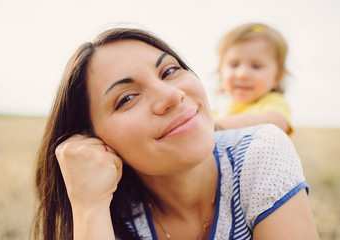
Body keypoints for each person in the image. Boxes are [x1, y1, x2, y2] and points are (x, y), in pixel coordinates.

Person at [32, 27, 318, 240]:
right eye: (127, 98)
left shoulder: (260, 151)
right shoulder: (108, 210)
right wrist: (89, 208)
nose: (172, 95)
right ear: (92, 142)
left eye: (169, 71)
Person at [214, 23, 293, 135]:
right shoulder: (219, 113)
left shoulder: (272, 102)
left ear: (277, 77)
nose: (242, 74)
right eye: (234, 65)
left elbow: (273, 124)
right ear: (220, 72)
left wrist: (215, 126)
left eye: (256, 66)